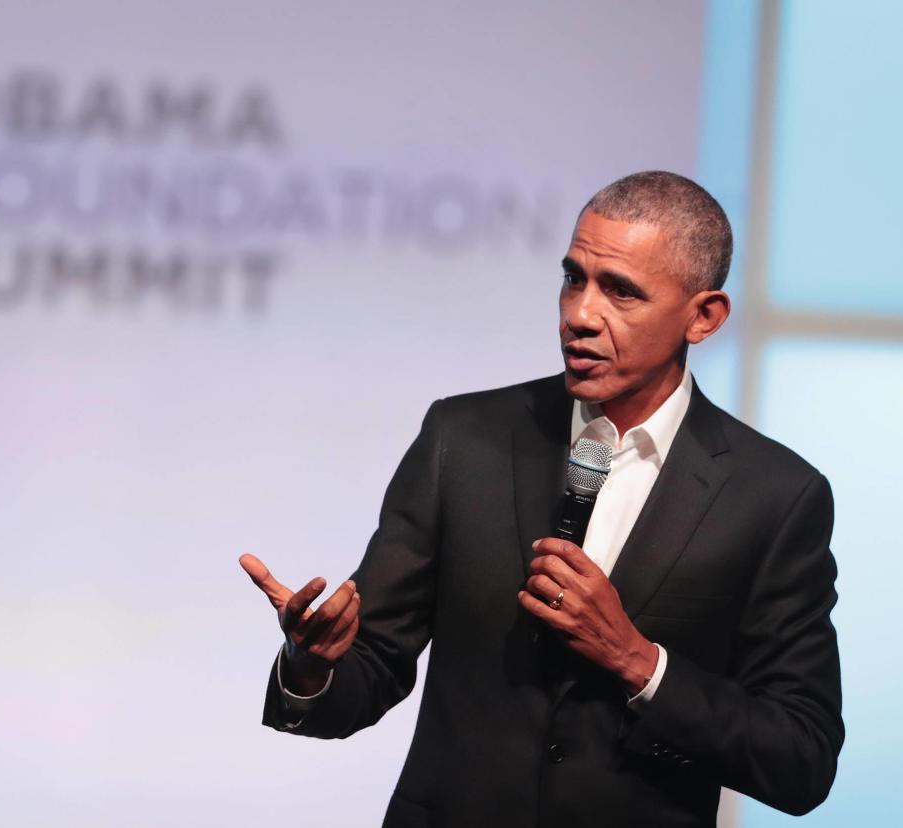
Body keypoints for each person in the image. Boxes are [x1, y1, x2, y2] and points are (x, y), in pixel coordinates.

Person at [240, 171, 843, 827]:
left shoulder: (774, 497)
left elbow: (800, 759)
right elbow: (371, 666)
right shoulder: (464, 441)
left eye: (620, 291)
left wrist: (638, 662)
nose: (580, 314)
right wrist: (310, 666)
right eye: (573, 278)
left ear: (703, 316)